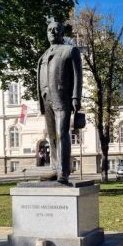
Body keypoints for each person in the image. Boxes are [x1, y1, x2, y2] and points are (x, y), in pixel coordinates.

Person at [37, 20, 83, 184]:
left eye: (57, 29)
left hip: (62, 97)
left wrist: (76, 96)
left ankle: (63, 171)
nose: (53, 32)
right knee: (52, 136)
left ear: (62, 33)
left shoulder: (70, 51)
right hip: (46, 98)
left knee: (62, 133)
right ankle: (55, 169)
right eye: (50, 29)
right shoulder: (43, 55)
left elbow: (78, 76)